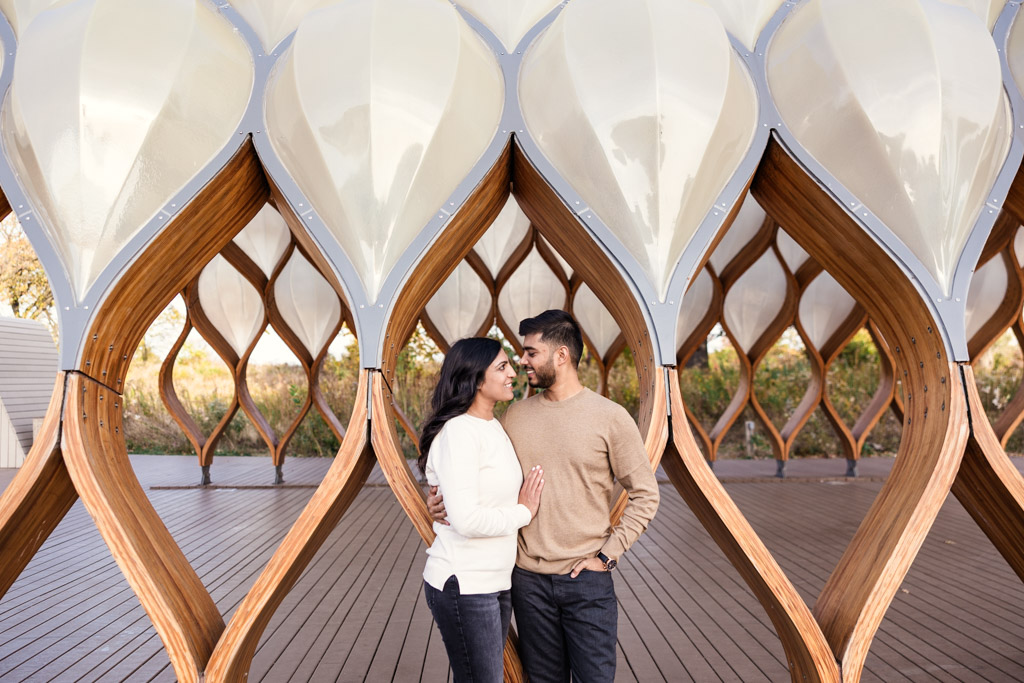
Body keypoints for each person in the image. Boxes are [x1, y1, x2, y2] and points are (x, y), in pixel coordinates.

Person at [429, 310, 659, 682]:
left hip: (586, 580)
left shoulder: (611, 418)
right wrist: (439, 499)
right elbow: (480, 476)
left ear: (561, 356)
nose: (521, 363)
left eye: (531, 353)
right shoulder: (514, 417)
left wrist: (608, 555)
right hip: (527, 581)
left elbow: (646, 495)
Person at [419, 337, 545, 683]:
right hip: (465, 583)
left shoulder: (492, 426)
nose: (512, 372)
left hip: (494, 580)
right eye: (501, 367)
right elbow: (467, 519)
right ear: (476, 379)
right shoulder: (459, 432)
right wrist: (524, 512)